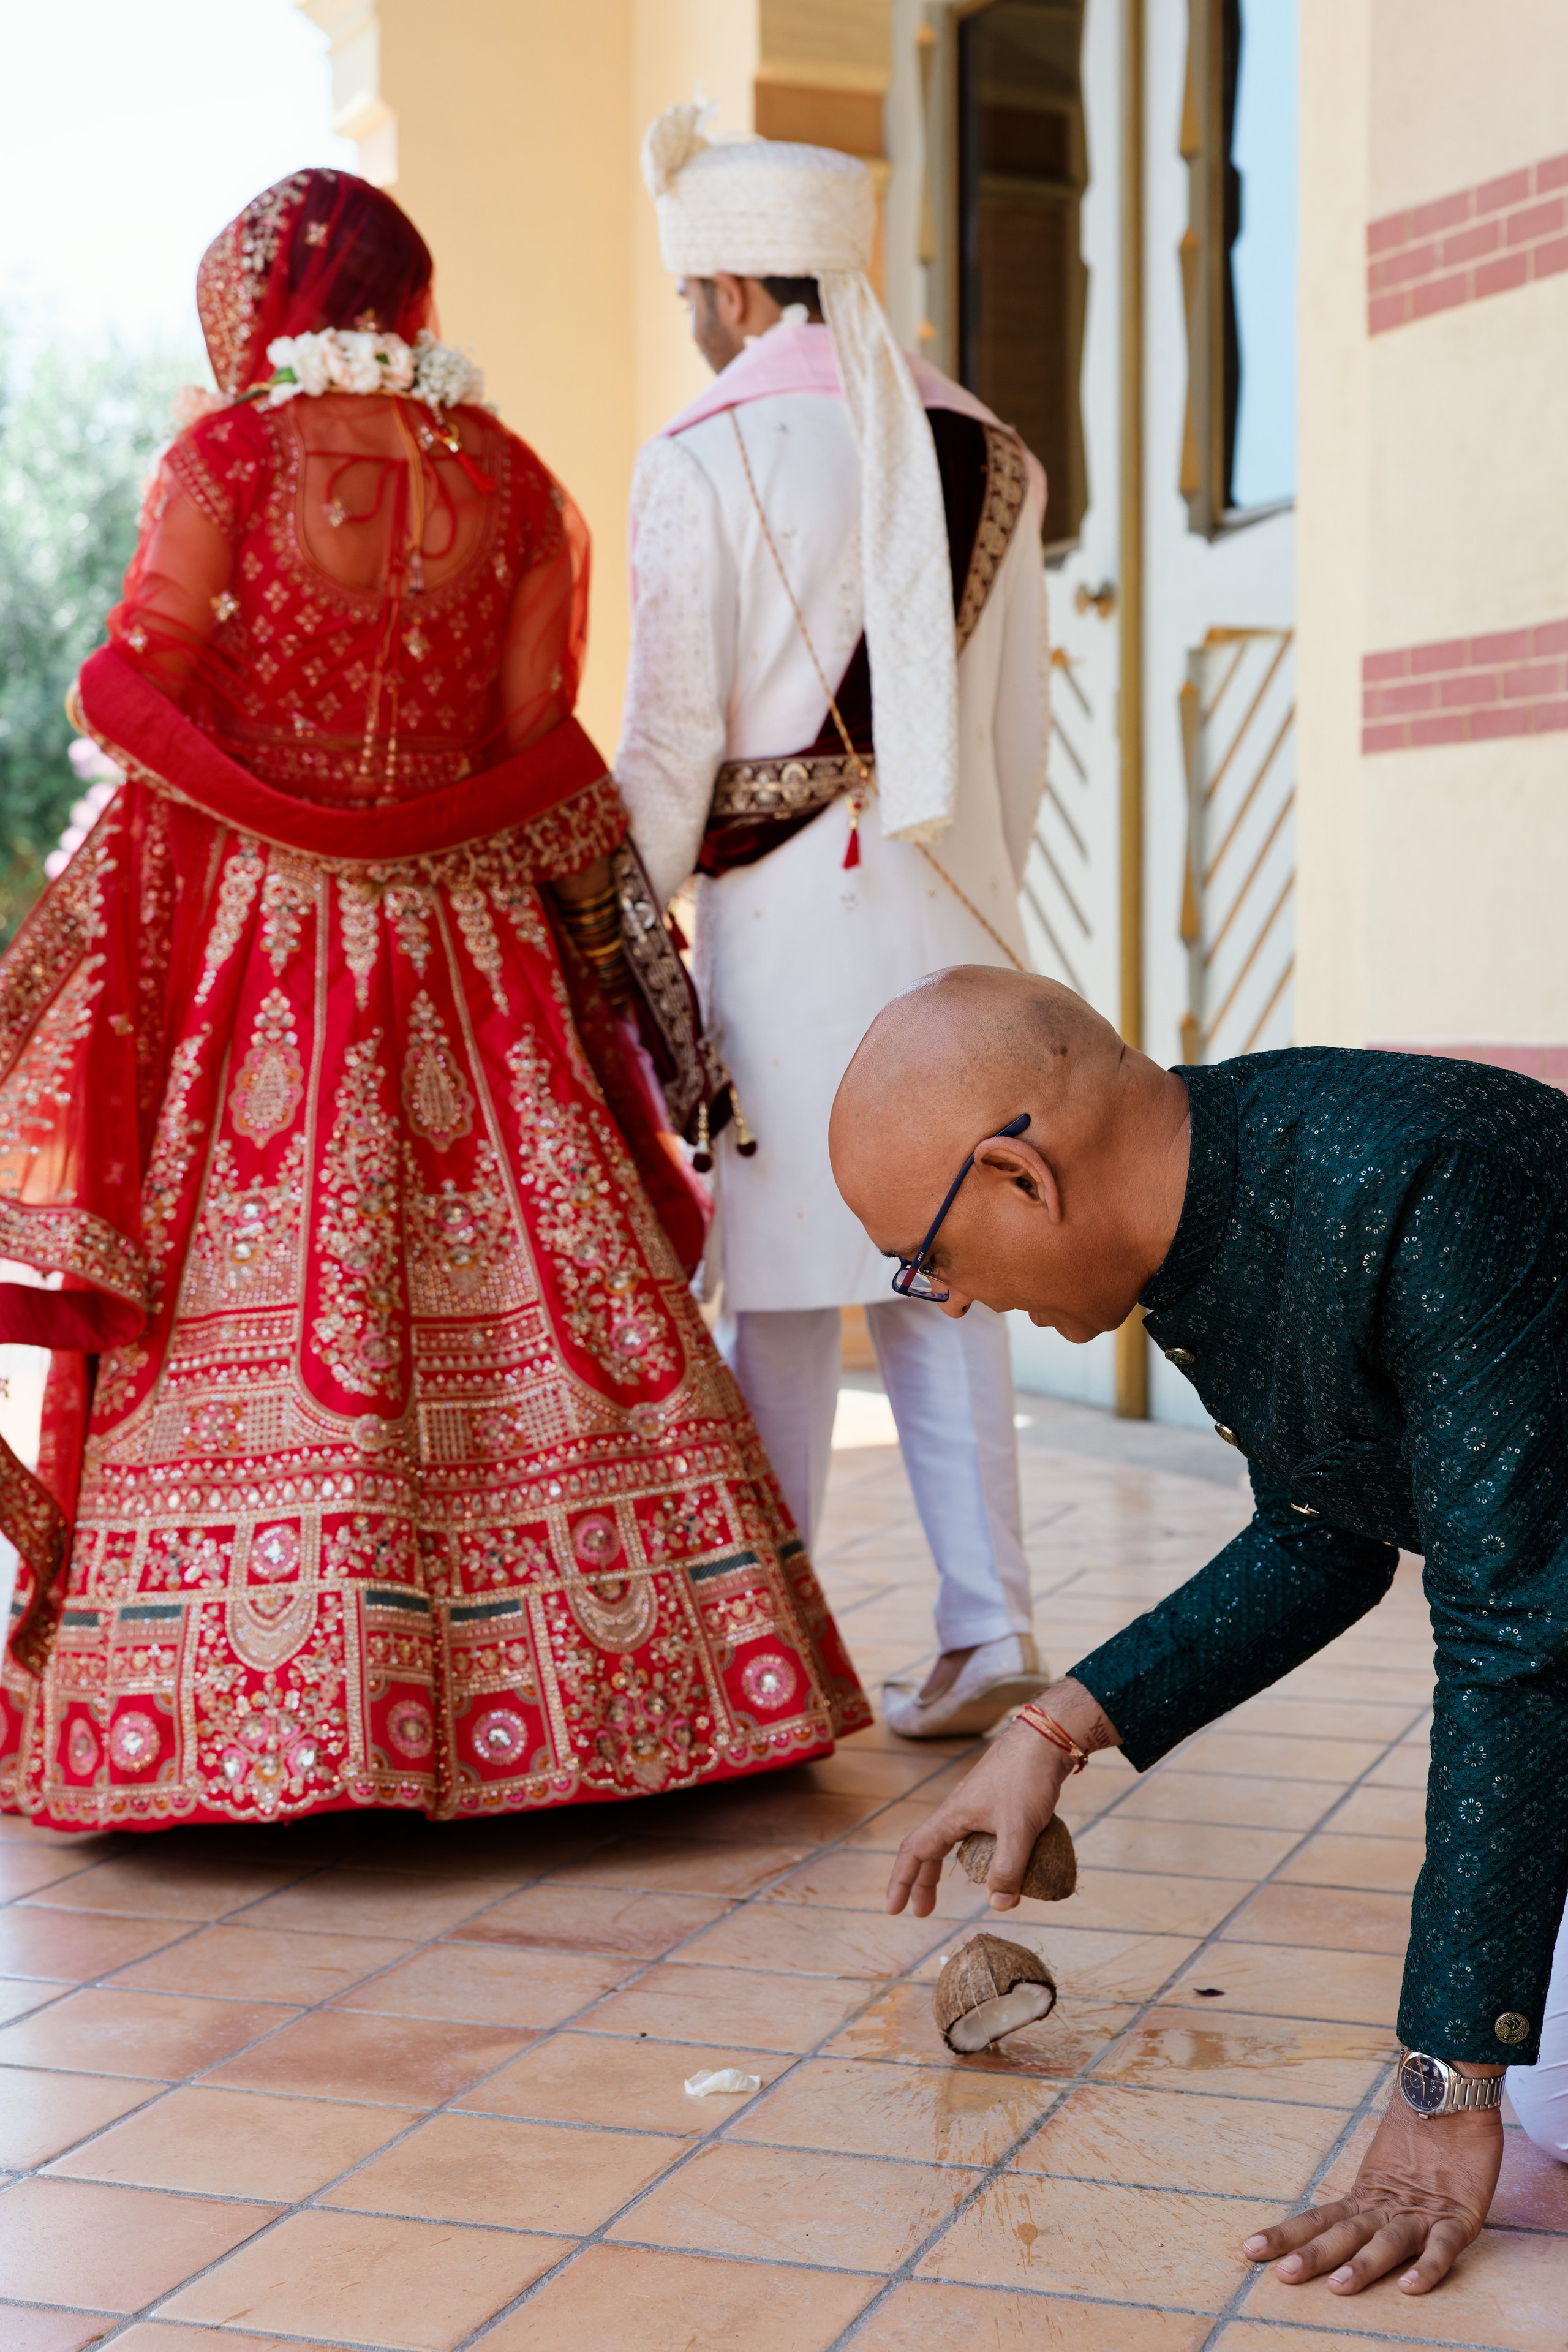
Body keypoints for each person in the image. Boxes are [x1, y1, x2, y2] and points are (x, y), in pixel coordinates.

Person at [0, 168, 868, 1833]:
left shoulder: (223, 460)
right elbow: (543, 745)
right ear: (407, 299)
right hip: (471, 950)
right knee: (536, 1281)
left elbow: (125, 681)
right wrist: (407, 830)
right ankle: (621, 1697)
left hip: (268, 943)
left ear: (265, 304)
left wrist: (298, 821)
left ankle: (232, 1719)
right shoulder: (519, 483)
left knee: (255, 1288)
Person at [828, 964, 1568, 2297]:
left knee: (1532, 2109)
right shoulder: (1202, 1212)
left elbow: (1514, 1635)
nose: (937, 1298)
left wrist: (1446, 2078)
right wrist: (1056, 1724)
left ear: (1017, 1176)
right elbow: (1320, 1526)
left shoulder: (1423, 1186)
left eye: (924, 1256)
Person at [614, 105, 1053, 1738]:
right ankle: (995, 1625)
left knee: (783, 1287)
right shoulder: (1001, 456)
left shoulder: (700, 456)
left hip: (785, 934)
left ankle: (774, 1651)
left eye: (693, 294)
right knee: (950, 1270)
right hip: (958, 919)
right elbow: (1012, 755)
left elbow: (667, 759)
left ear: (731, 286)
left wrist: (605, 913)